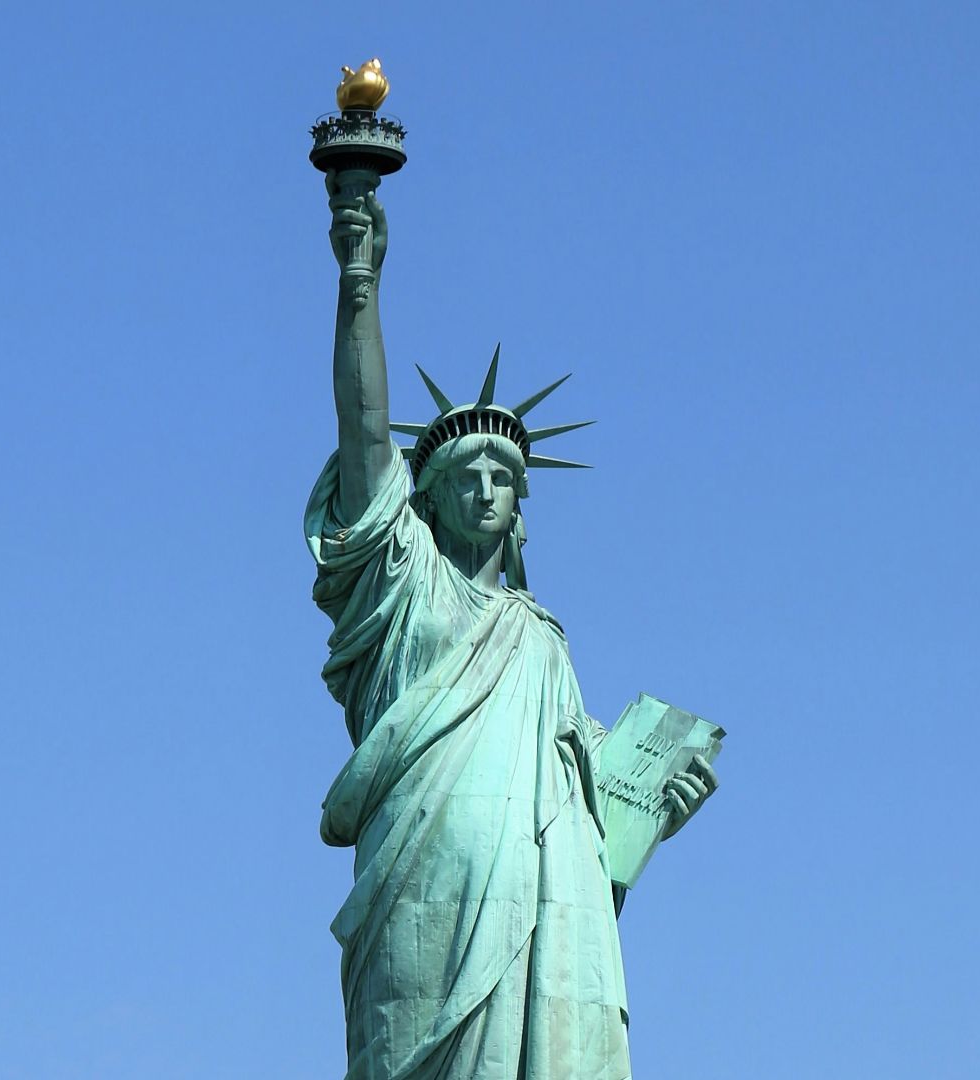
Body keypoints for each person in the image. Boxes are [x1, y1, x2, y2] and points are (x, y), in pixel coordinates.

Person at [306, 171, 718, 1080]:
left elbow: (586, 820)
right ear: (426, 498)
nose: (486, 489)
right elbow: (364, 429)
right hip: (430, 887)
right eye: (464, 474)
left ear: (520, 504)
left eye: (502, 476)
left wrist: (655, 813)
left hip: (542, 906)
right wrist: (360, 279)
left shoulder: (543, 643)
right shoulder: (403, 586)